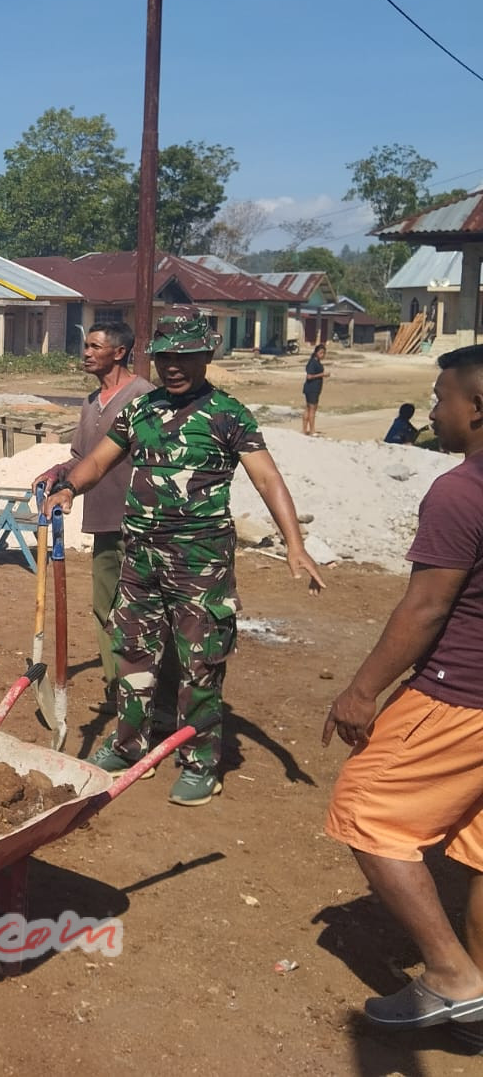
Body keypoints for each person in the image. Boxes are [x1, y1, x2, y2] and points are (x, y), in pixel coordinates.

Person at [41, 311, 326, 807]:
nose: (173, 366)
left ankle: (199, 761)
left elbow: (267, 479)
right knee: (132, 652)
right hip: (141, 557)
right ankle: (131, 745)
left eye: (184, 357)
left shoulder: (227, 414)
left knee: (200, 664)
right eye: (165, 357)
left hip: (200, 563)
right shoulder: (141, 409)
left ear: (206, 356)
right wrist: (68, 487)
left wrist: (294, 544)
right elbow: (100, 460)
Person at [321, 345, 483, 1034]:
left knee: (367, 811)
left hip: (461, 693)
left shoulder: (461, 491)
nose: (436, 408)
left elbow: (425, 609)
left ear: (477, 408)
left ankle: (452, 977)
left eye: (442, 396)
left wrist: (361, 692)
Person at [33, 322, 154, 699]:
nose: (85, 352)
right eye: (84, 345)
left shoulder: (145, 397)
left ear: (119, 352)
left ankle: (150, 693)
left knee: (144, 612)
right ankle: (116, 689)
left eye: (94, 346)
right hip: (102, 521)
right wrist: (59, 473)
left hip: (141, 522)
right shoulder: (89, 403)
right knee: (105, 607)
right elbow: (82, 459)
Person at [303, 343, 328, 436]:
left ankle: (305, 429)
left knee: (308, 408)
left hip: (314, 389)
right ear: (316, 352)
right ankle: (311, 430)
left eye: (324, 353)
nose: (323, 355)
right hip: (311, 388)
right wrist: (322, 375)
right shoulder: (313, 363)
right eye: (321, 353)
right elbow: (309, 376)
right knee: (312, 409)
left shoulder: (316, 362)